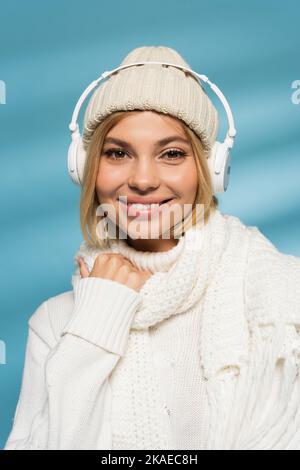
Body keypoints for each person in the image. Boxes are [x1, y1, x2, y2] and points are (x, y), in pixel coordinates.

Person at [4, 46, 300, 450]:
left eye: (172, 153)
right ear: (85, 167)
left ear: (211, 170)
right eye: (118, 153)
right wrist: (96, 321)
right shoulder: (58, 323)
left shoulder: (281, 297)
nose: (143, 179)